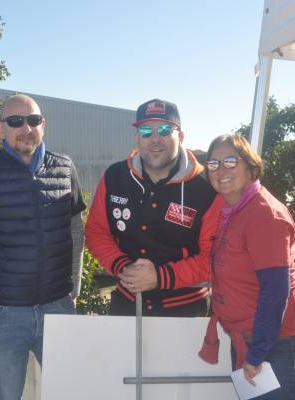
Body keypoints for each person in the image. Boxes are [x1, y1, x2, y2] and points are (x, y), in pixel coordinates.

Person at [0, 94, 86, 400]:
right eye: (15, 121)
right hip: (3, 316)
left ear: (43, 125)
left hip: (58, 308)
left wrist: (74, 285)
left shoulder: (65, 168)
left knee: (74, 391)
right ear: (1, 128)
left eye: (33, 120)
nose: (26, 128)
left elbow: (75, 228)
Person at [85, 98, 222, 316]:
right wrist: (123, 267)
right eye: (146, 131)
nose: (155, 139)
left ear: (181, 137)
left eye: (165, 130)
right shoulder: (115, 177)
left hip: (185, 310)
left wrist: (160, 277)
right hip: (127, 302)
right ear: (137, 138)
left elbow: (215, 257)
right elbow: (96, 232)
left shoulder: (206, 186)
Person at [198, 133, 295, 399]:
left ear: (251, 167)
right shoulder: (233, 210)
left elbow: (276, 291)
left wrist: (258, 353)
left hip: (273, 344)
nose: (221, 170)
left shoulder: (264, 214)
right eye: (213, 164)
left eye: (230, 161)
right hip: (247, 338)